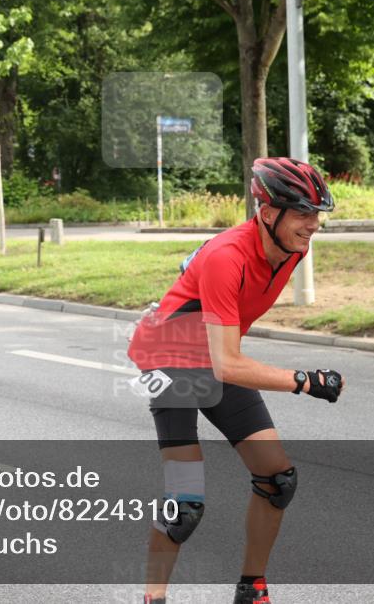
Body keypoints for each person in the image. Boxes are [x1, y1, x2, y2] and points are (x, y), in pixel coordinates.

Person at [127, 158, 345, 604]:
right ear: (268, 212)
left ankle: (252, 590)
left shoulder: (291, 250)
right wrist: (303, 380)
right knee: (184, 505)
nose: (314, 225)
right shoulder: (230, 256)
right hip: (169, 359)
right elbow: (227, 362)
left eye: (317, 213)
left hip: (210, 352)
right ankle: (153, 600)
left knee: (277, 477)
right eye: (303, 213)